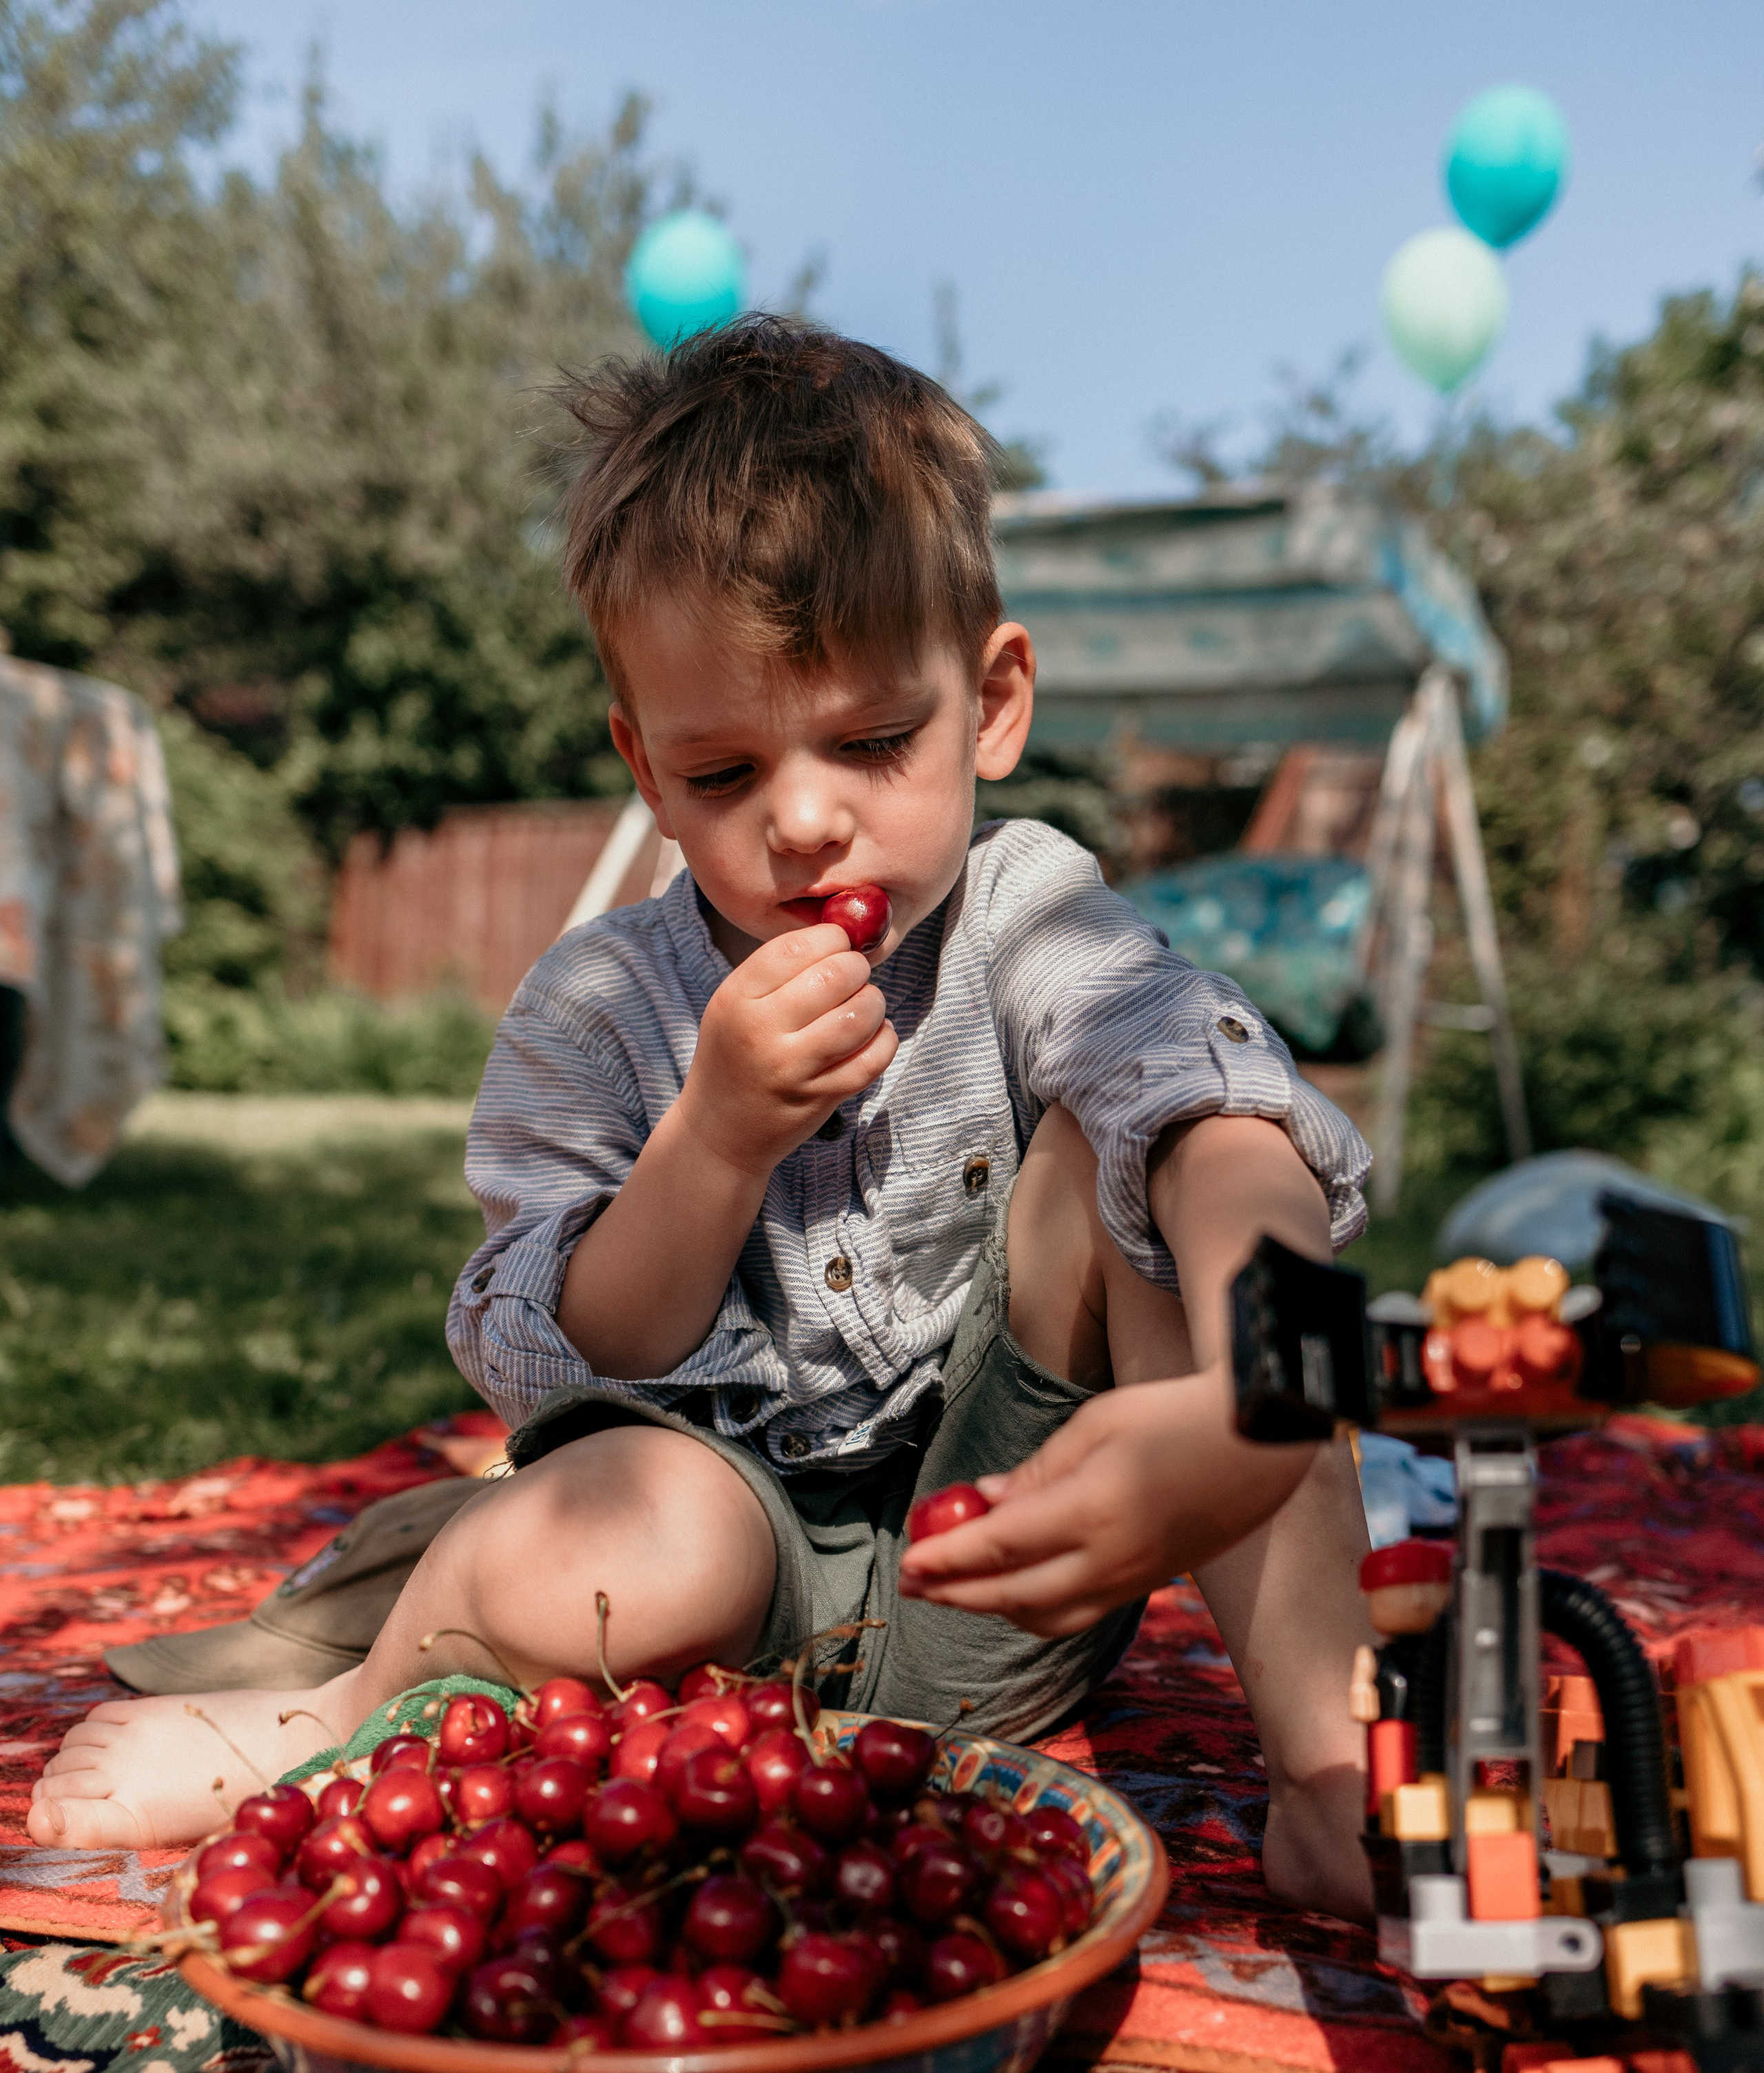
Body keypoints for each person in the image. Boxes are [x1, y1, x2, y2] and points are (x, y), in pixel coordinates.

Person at [29, 319, 1377, 1919]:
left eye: (874, 740)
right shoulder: (606, 1001)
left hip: (995, 1563)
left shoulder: (1035, 922)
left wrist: (1252, 1396)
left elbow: (1220, 1108)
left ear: (993, 703)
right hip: (695, 1603)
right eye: (725, 769)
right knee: (617, 1523)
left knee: (1167, 1187)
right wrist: (715, 1140)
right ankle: (344, 1710)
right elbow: (558, 1351)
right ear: (644, 773)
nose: (806, 819)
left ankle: (1327, 1773)